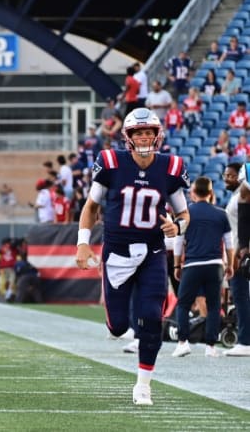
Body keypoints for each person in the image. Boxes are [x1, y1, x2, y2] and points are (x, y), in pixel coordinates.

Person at [75, 108, 190, 406]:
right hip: (116, 252)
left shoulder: (171, 167)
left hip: (152, 250)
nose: (144, 137)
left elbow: (184, 215)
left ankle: (143, 384)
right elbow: (90, 206)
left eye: (148, 132)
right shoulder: (111, 162)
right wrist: (83, 243)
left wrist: (176, 226)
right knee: (117, 326)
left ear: (157, 135)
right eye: (138, 133)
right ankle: (120, 328)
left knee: (152, 317)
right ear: (128, 137)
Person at [171, 177, 233, 358]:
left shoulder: (186, 214)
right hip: (215, 265)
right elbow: (229, 243)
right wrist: (229, 264)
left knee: (183, 304)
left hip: (193, 264)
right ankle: (211, 346)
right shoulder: (221, 213)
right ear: (210, 193)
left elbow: (178, 242)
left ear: (193, 193)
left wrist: (176, 265)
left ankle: (183, 342)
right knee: (214, 305)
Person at [223, 163, 250, 356]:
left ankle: (245, 340)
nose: (228, 179)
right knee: (240, 297)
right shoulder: (236, 196)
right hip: (236, 250)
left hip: (240, 252)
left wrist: (242, 249)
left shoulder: (244, 194)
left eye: (232, 176)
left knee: (241, 297)